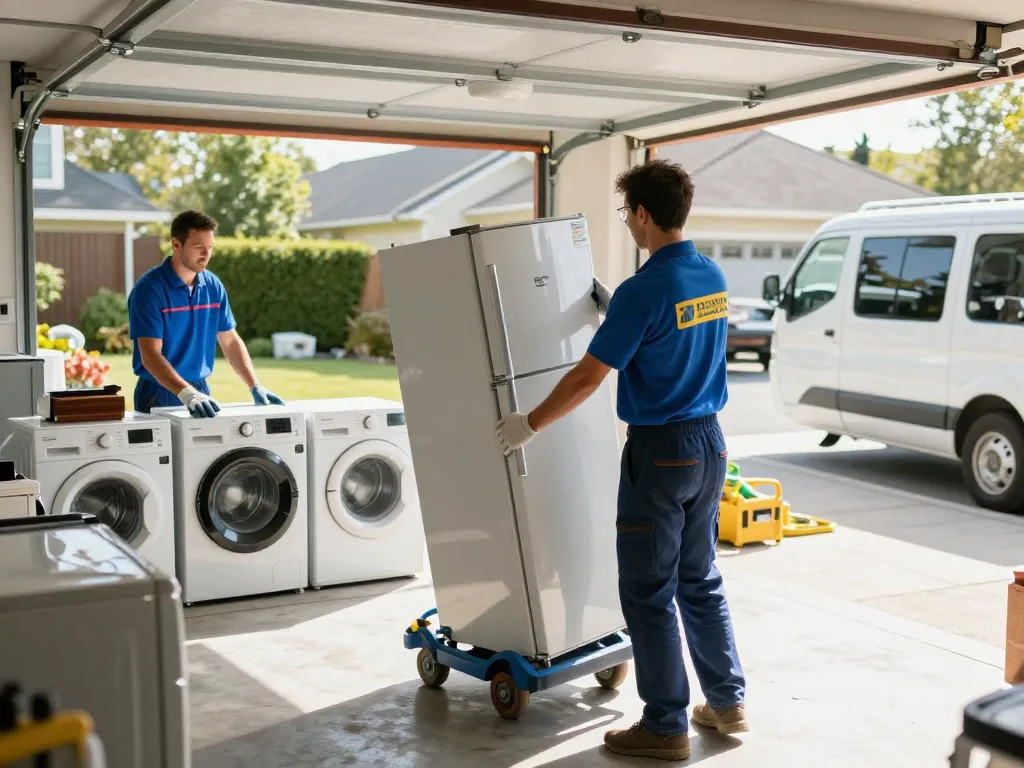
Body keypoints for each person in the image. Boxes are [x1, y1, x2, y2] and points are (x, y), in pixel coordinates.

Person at [496, 160, 746, 761]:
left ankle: (665, 726)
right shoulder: (709, 275)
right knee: (699, 577)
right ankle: (727, 701)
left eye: (626, 214)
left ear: (642, 214)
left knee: (647, 589)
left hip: (660, 454)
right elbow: (674, 336)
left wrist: (527, 424)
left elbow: (587, 377)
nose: (627, 224)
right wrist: (619, 313)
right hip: (709, 443)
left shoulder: (642, 291)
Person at [127, 210, 284, 417]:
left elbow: (229, 340)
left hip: (200, 390)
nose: (206, 254)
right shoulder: (149, 290)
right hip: (160, 391)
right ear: (176, 244)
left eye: (210, 247)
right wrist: (186, 393)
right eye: (199, 247)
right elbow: (150, 355)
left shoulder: (212, 285)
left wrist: (254, 384)